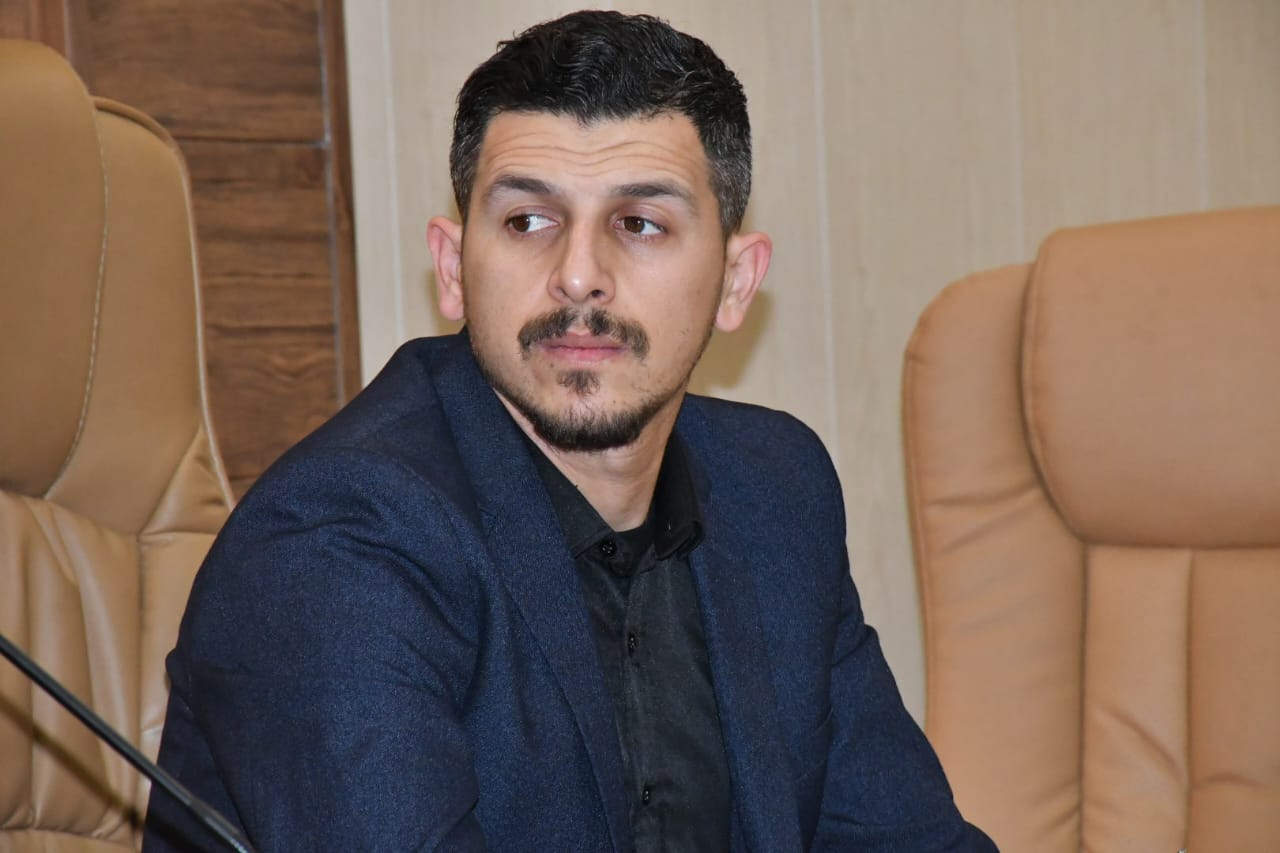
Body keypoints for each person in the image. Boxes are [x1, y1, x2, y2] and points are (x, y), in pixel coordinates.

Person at [144, 10, 995, 852]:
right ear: (453, 266)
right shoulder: (336, 541)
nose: (579, 275)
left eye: (640, 223)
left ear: (737, 282)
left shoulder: (776, 489)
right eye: (528, 221)